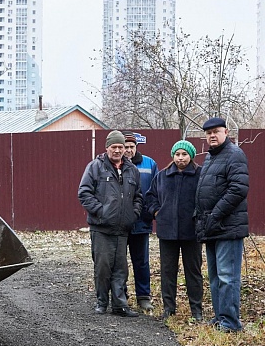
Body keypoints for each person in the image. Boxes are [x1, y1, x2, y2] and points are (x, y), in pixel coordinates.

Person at [78, 130, 143, 317]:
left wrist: (133, 214)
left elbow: (138, 196)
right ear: (107, 148)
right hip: (102, 228)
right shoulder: (95, 167)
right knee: (103, 267)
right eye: (114, 147)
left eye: (120, 147)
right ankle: (101, 303)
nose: (117, 150)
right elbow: (84, 193)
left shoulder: (132, 170)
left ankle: (119, 305)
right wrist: (101, 211)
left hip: (123, 229)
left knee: (121, 269)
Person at [194, 117, 249, 332]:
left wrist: (215, 215)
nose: (212, 136)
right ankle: (220, 317)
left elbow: (238, 189)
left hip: (228, 227)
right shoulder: (211, 157)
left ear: (226, 132)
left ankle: (231, 323)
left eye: (216, 131)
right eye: (208, 133)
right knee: (216, 276)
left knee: (228, 277)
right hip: (212, 227)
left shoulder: (235, 154)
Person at [145, 140, 203, 322]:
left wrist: (198, 217)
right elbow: (150, 197)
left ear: (191, 156)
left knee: (193, 271)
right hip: (167, 231)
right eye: (177, 154)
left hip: (191, 232)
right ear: (173, 156)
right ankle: (169, 308)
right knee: (168, 271)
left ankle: (196, 310)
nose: (180, 158)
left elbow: (206, 197)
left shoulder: (200, 175)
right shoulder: (162, 176)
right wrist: (157, 212)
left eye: (184, 154)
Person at [122, 132, 158, 312]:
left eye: (131, 147)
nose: (128, 150)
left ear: (136, 147)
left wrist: (151, 213)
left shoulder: (149, 164)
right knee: (120, 262)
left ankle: (143, 297)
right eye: (125, 147)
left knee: (141, 262)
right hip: (119, 223)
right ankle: (121, 295)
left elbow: (155, 191)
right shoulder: (116, 164)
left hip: (141, 223)